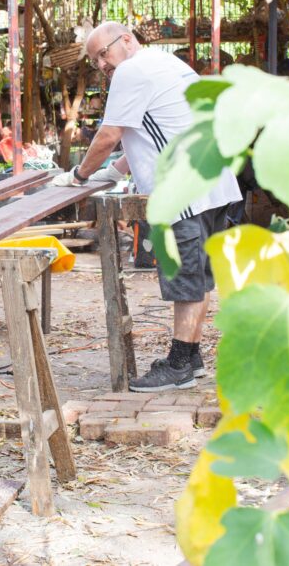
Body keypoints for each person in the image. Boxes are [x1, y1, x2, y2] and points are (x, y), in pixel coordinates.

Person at [53, 22, 242, 392]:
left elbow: (110, 134)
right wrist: (111, 172)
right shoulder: (168, 63)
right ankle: (191, 356)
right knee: (199, 278)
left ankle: (178, 366)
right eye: (94, 61)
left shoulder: (131, 70)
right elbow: (154, 131)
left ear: (126, 39)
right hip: (214, 184)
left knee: (185, 281)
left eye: (102, 54)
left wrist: (79, 174)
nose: (101, 65)